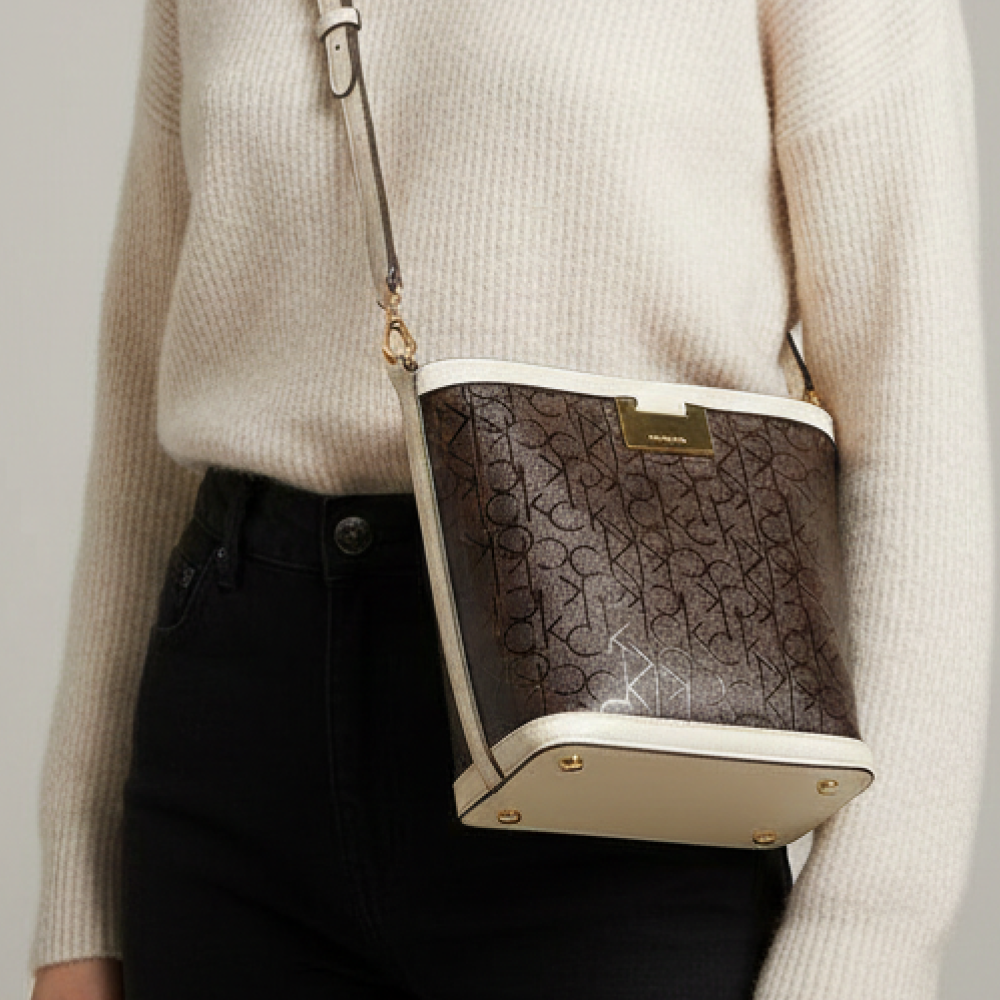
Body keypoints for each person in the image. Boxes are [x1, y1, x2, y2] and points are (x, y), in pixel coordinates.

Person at [28, 1, 993, 998]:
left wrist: (863, 939)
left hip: (617, 737)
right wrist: (79, 888)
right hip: (234, 748)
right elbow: (145, 385)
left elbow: (916, 427)